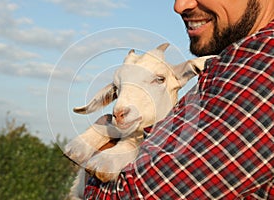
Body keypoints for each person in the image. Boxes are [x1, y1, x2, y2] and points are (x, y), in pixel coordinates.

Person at [84, 0, 274, 199]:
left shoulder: (263, 66)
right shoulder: (238, 64)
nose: (180, 6)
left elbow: (127, 195)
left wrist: (104, 141)